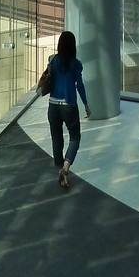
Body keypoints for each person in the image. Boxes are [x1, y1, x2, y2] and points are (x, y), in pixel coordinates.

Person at [45, 30, 91, 188]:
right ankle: (65, 168)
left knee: (57, 139)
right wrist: (86, 104)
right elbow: (80, 86)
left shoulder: (52, 60)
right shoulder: (76, 64)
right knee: (75, 138)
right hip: (69, 106)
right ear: (73, 47)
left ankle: (59, 170)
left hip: (52, 106)